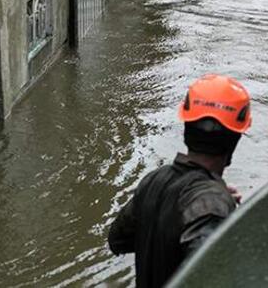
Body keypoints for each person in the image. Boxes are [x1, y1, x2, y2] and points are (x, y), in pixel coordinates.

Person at [107, 74, 252, 288]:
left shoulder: (154, 181)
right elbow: (208, 276)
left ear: (187, 129)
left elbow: (118, 240)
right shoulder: (211, 203)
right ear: (235, 139)